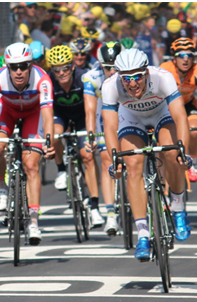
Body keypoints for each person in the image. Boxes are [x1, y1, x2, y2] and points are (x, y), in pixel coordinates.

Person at [102, 49, 192, 261]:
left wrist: (183, 151)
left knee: (172, 154)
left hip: (162, 113)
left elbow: (180, 116)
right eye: (127, 79)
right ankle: (143, 233)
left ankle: (178, 207)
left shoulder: (163, 78)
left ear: (146, 74)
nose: (132, 84)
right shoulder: (110, 86)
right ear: (119, 76)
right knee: (132, 167)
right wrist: (115, 159)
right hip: (131, 117)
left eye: (137, 77)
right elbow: (109, 126)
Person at [0, 43, 55, 245]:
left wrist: (48, 142)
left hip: (33, 113)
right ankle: (2, 188)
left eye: (23, 66)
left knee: (31, 165)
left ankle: (33, 221)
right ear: (7, 66)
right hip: (8, 112)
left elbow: (48, 117)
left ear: (30, 65)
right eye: (14, 67)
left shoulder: (43, 79)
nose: (19, 71)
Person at [47, 45, 104, 228]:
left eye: (65, 67)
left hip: (82, 117)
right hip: (60, 115)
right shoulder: (48, 82)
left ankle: (94, 207)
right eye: (57, 69)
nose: (62, 72)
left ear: (72, 67)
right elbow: (46, 113)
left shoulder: (84, 78)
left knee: (87, 156)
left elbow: (89, 110)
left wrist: (90, 135)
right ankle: (62, 170)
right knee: (54, 135)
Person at [82, 41, 123, 235]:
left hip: (128, 114)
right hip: (103, 117)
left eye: (115, 67)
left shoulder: (129, 74)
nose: (112, 72)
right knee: (108, 159)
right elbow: (90, 111)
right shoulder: (91, 78)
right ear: (100, 66)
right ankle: (111, 214)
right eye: (107, 68)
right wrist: (91, 135)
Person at [160, 38, 197, 182]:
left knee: (196, 131)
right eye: (181, 56)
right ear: (174, 58)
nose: (185, 60)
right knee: (162, 147)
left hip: (187, 105)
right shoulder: (165, 69)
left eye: (189, 56)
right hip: (166, 107)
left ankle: (192, 163)